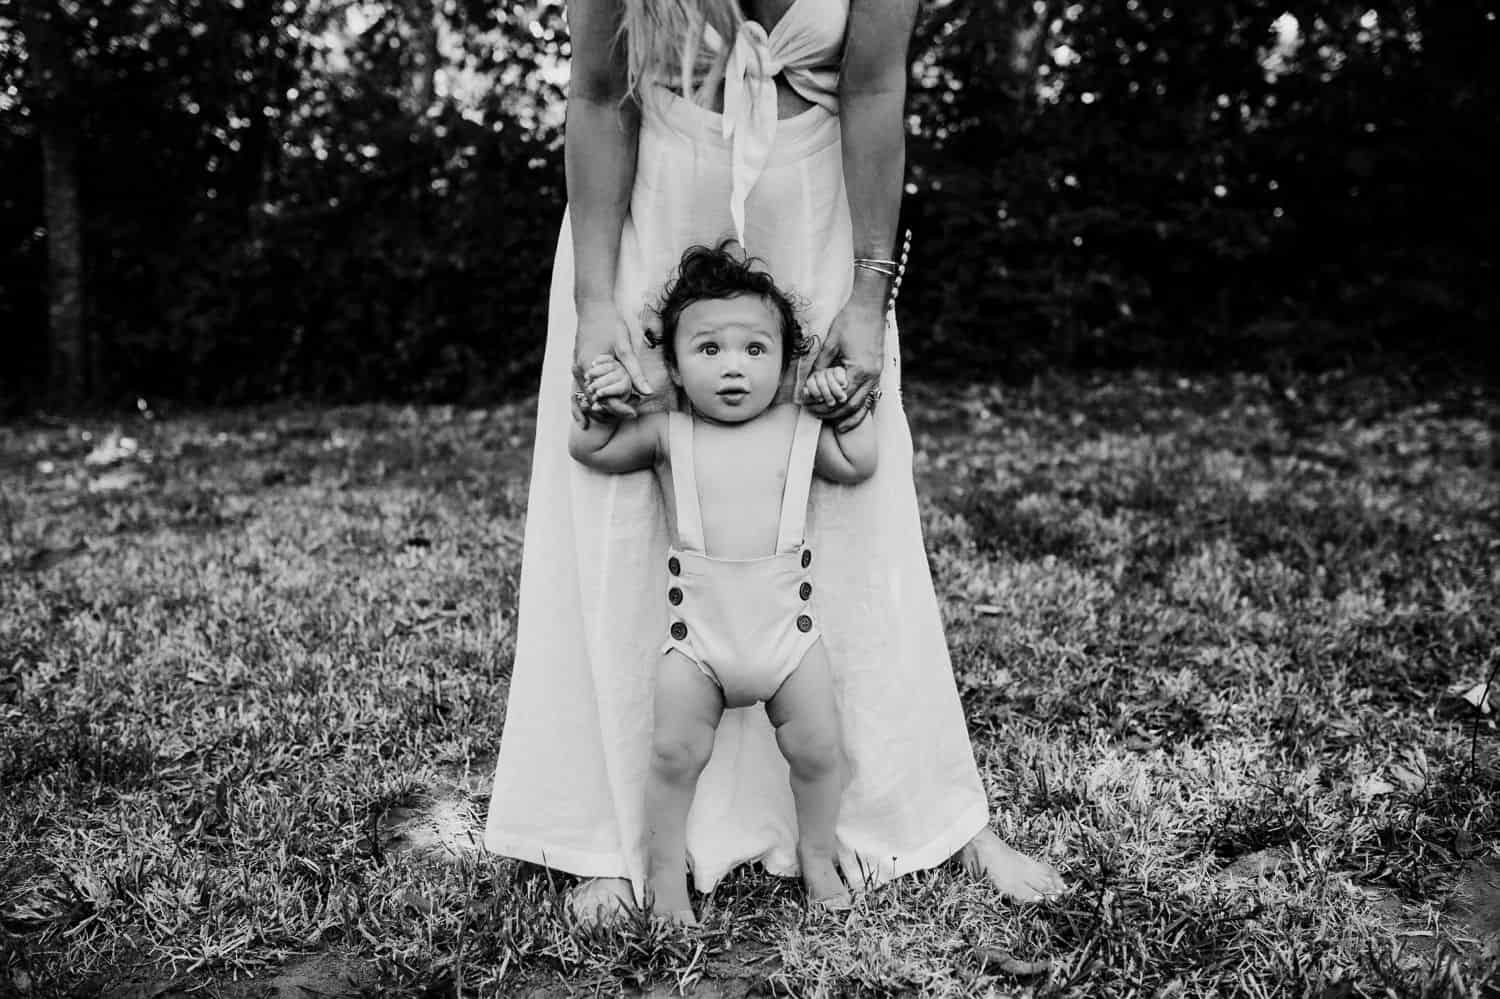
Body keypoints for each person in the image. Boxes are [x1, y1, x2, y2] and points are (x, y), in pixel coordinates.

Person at [484, 0, 1066, 919]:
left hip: (820, 211)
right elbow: (599, 94)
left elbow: (875, 85)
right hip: (651, 205)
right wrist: (597, 301)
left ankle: (916, 816)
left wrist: (871, 293)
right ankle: (606, 830)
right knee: (625, 502)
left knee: (852, 507)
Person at [570, 243, 874, 922]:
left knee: (820, 750)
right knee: (673, 754)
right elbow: (589, 449)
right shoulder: (666, 434)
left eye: (754, 349)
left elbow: (859, 462)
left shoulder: (800, 429)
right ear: (674, 366)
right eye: (708, 349)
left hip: (788, 640)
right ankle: (663, 870)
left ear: (787, 364)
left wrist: (847, 408)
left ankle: (818, 855)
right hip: (698, 640)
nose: (733, 365)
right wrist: (599, 403)